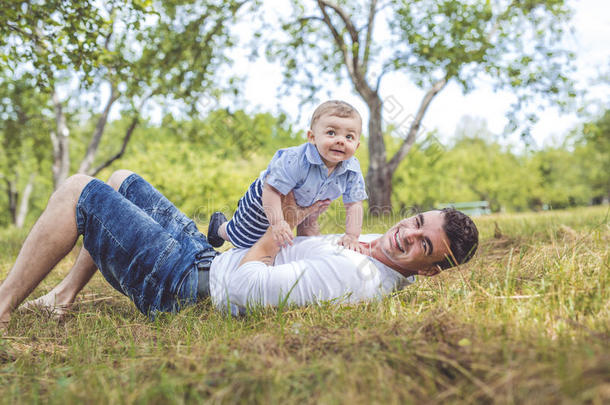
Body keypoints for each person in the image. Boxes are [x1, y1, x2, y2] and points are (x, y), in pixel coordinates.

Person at [0, 170, 478, 326]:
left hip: (188, 284)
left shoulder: (360, 277)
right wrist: (305, 223)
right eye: (417, 223)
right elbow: (307, 259)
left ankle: (3, 307)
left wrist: (278, 228)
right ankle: (63, 297)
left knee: (78, 190)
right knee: (123, 179)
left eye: (423, 245)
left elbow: (247, 292)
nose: (407, 235)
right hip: (211, 258)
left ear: (431, 270)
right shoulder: (375, 249)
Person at [207, 100, 367, 253]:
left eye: (349, 137)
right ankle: (220, 228)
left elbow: (354, 204)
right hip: (267, 197)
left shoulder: (352, 169)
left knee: (309, 234)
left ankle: (304, 254)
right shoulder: (296, 160)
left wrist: (352, 236)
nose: (340, 141)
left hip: (309, 203)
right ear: (312, 137)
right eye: (331, 133)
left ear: (357, 145)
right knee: (245, 239)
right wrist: (277, 222)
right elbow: (271, 189)